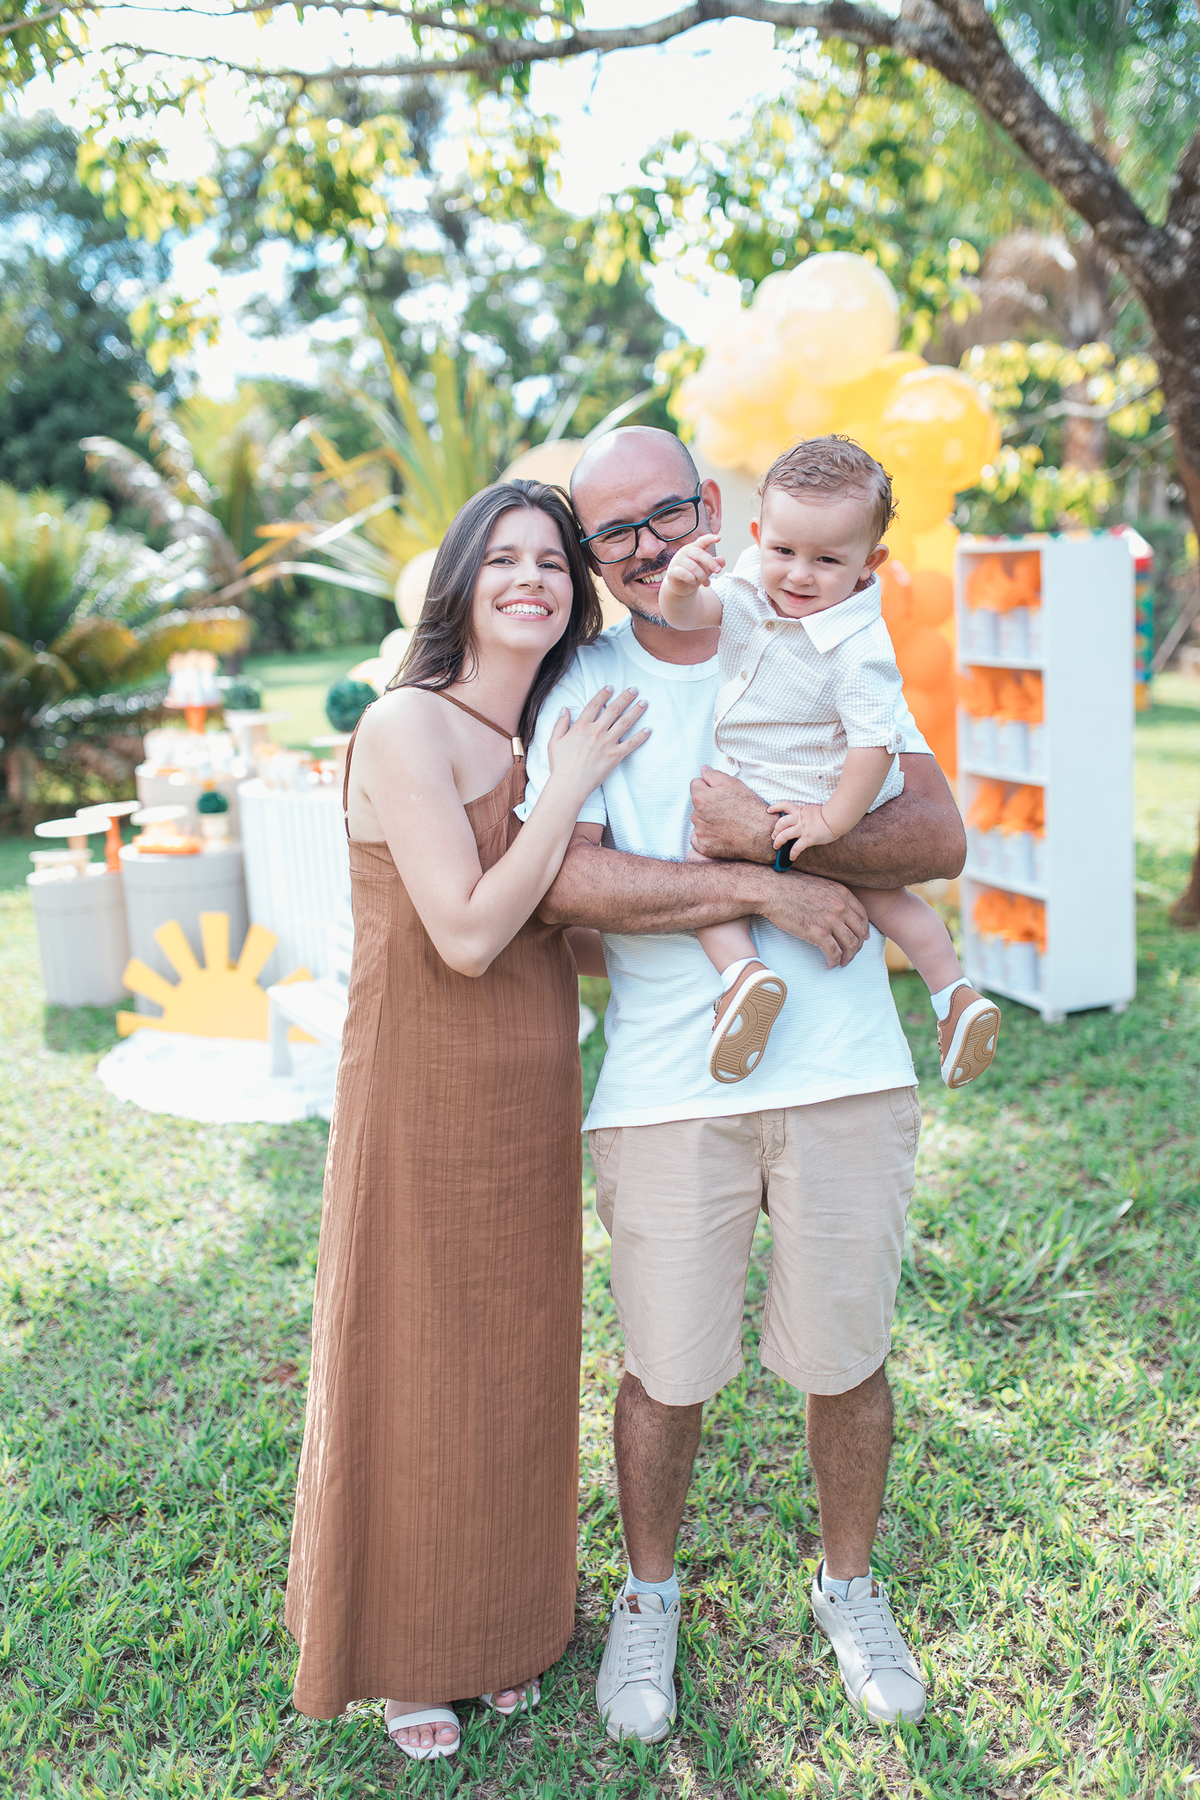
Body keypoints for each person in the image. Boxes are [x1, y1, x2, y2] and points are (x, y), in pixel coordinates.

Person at [519, 426, 966, 1740]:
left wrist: (773, 842)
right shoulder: (583, 683)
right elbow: (569, 878)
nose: (644, 547)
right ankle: (648, 1597)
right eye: (611, 533)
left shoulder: (821, 630)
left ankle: (849, 1589)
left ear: (710, 504)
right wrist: (765, 888)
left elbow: (936, 831)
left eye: (663, 514)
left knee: (848, 1361)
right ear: (591, 556)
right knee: (665, 1373)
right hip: (667, 1084)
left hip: (845, 1074)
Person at [285, 478, 650, 1762]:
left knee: (517, 1349)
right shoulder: (408, 726)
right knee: (421, 1354)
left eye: (552, 561)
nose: (531, 580)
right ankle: (408, 1650)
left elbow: (572, 928)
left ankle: (504, 1624)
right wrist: (570, 785)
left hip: (530, 1082)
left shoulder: (541, 728)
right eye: (503, 559)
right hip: (421, 1081)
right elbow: (469, 932)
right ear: (460, 581)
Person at [658, 436, 1000, 1092]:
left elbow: (875, 743)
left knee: (702, 864)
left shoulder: (859, 644)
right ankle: (953, 994)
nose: (798, 575)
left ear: (869, 563)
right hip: (793, 790)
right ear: (758, 537)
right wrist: (679, 586)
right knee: (887, 901)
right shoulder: (748, 585)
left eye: (826, 560)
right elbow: (691, 617)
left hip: (818, 793)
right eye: (783, 551)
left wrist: (830, 821)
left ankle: (742, 974)